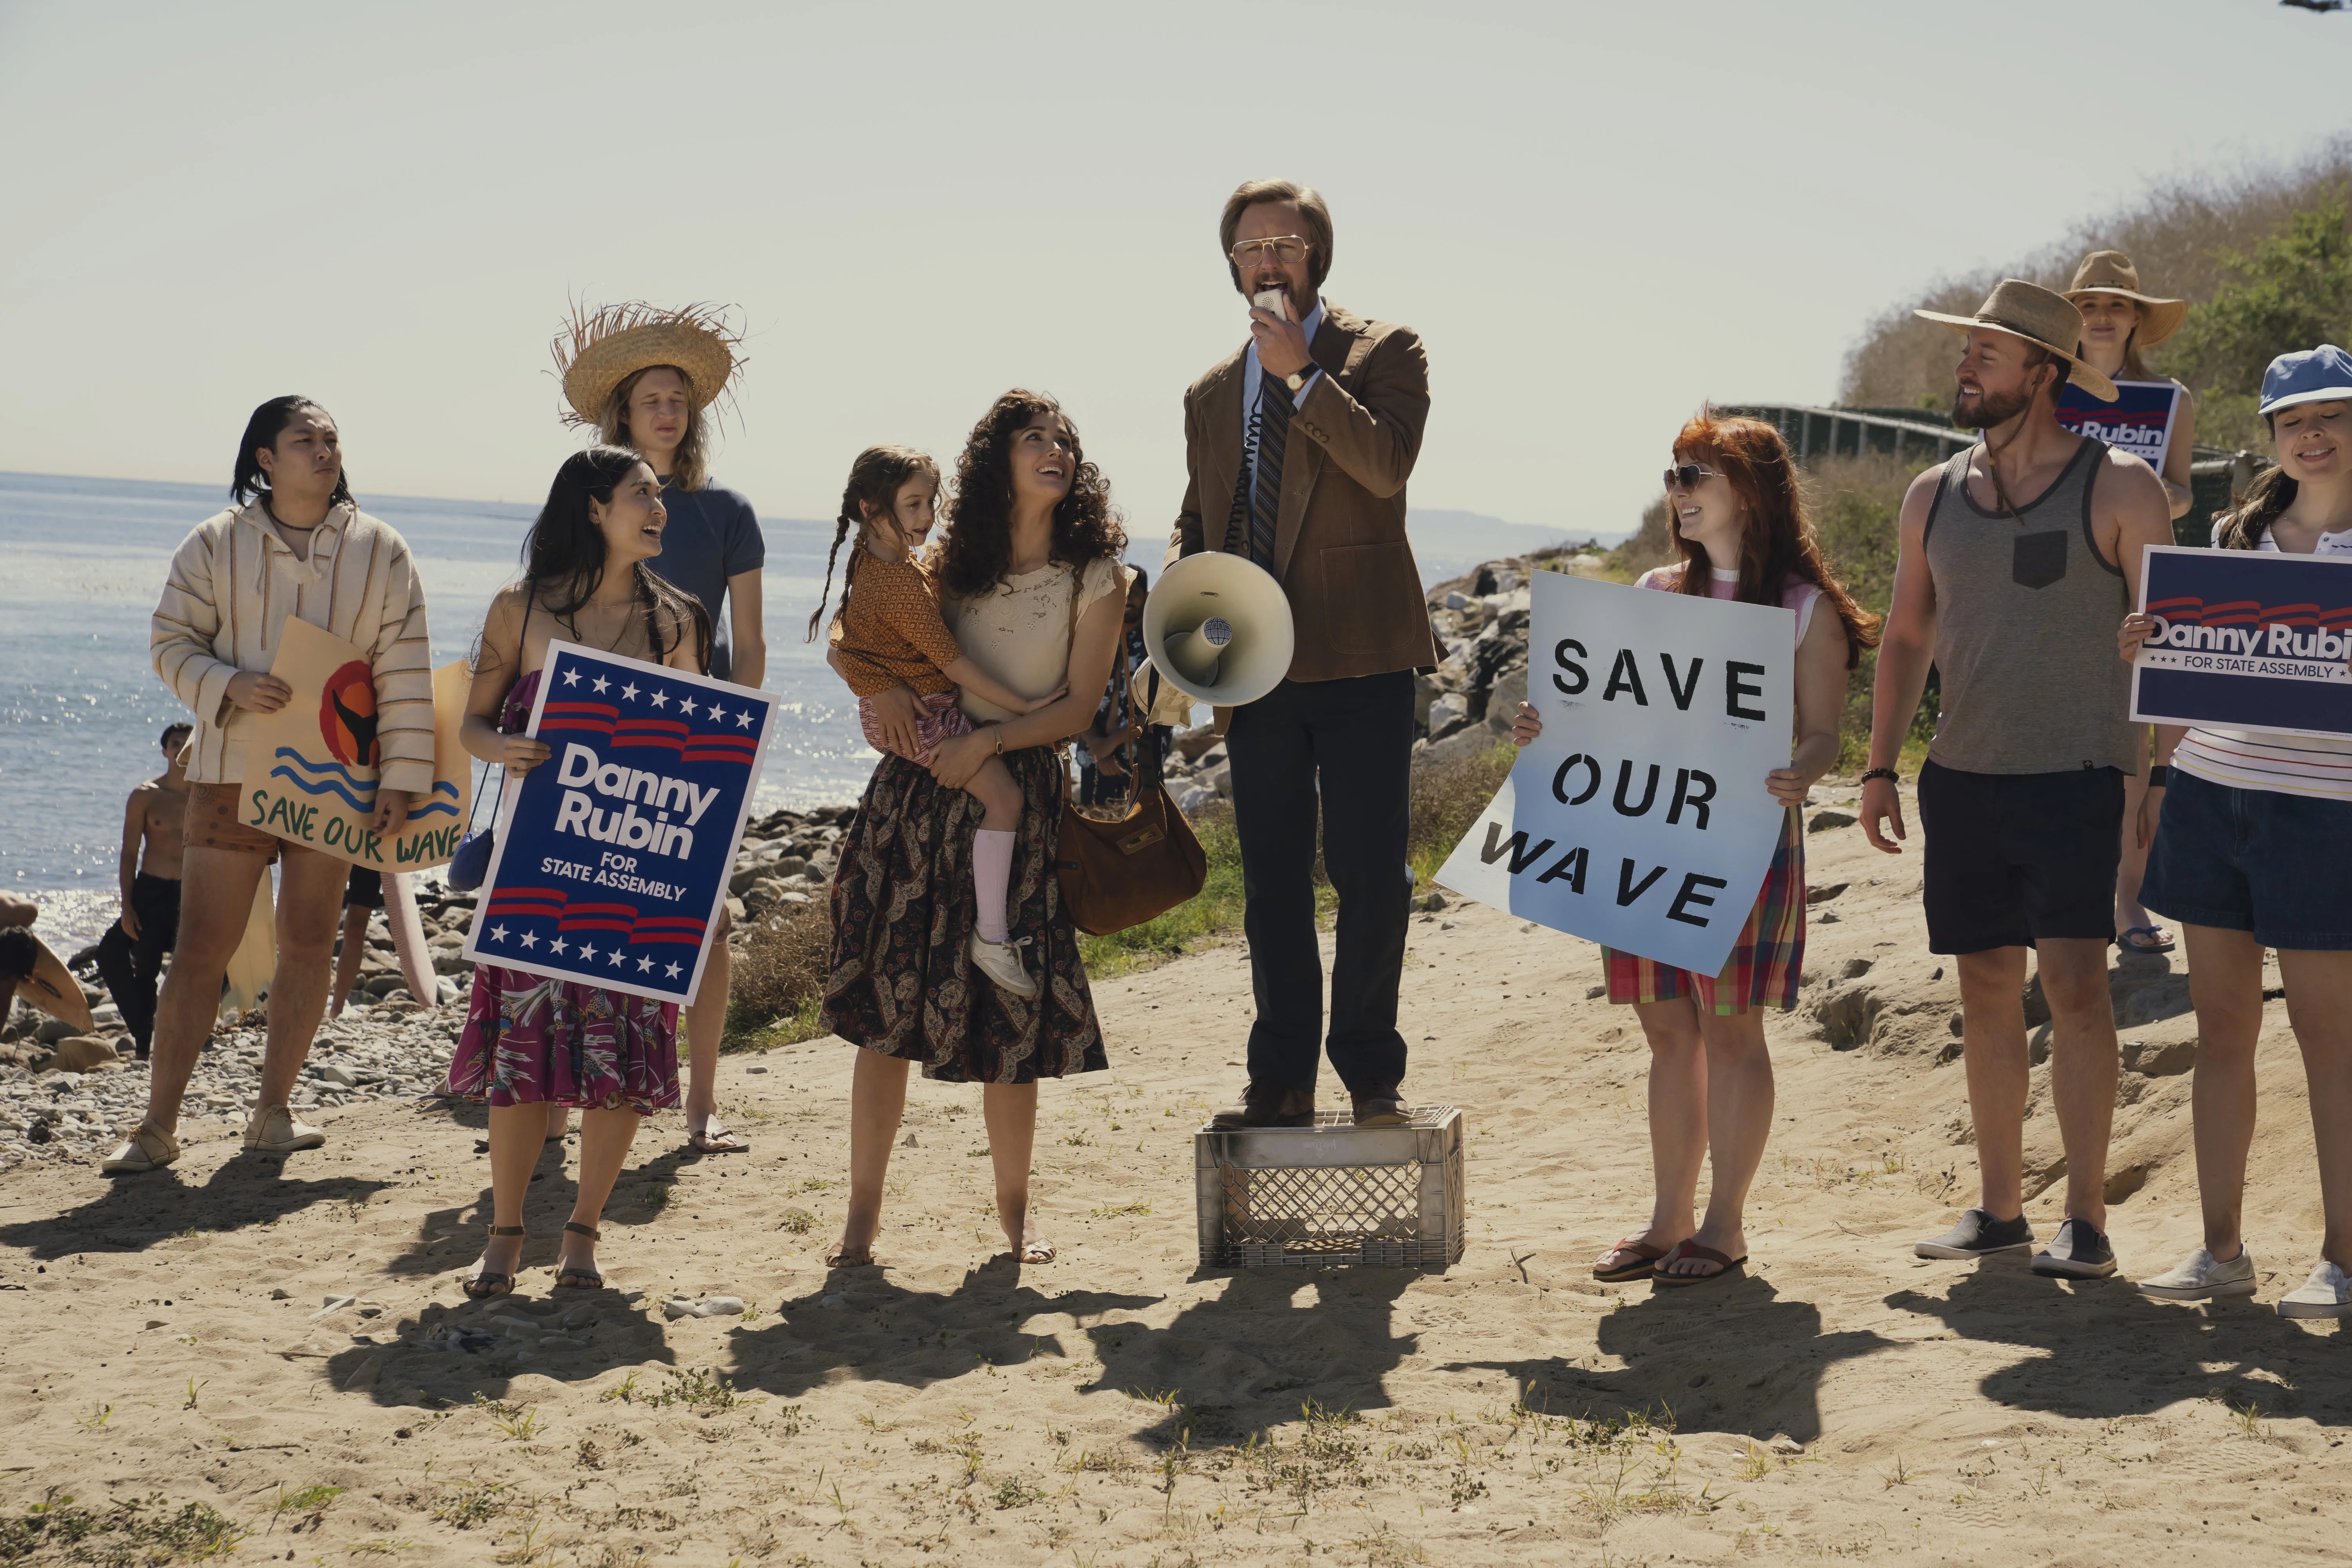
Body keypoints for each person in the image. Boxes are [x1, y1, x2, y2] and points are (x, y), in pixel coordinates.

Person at [1511, 414, 1875, 1283]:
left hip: (1743, 833)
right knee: (1667, 1030)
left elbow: (1825, 733)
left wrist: (1802, 771)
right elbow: (1607, 712)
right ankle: (1667, 1217)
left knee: (1731, 1027)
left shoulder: (1801, 606)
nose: (1677, 491)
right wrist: (1545, 725)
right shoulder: (1654, 587)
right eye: (1673, 474)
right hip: (1646, 830)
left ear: (1747, 489)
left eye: (1695, 474)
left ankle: (1724, 1225)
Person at [1859, 281, 2175, 1277]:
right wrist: (1877, 765)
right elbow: (1908, 633)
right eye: (1968, 356)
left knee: (2078, 992)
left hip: (2080, 778)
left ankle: (2085, 1219)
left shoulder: (2122, 486)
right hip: (1961, 778)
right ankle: (2000, 1210)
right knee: (1987, 989)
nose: (1965, 371)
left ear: (2042, 376)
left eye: (1987, 358)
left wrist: (2152, 777)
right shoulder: (1931, 493)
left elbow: (2171, 645)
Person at [822, 390, 1129, 1269]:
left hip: (1015, 792)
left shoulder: (1098, 575)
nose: (1054, 449)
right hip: (918, 789)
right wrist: (874, 697)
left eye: (1065, 439)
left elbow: (1075, 706)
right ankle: (860, 1221)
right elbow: (863, 634)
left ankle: (1017, 1216)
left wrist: (988, 740)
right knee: (886, 1014)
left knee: (1012, 1025)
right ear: (997, 460)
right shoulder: (948, 560)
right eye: (1034, 437)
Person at [1167, 178, 1437, 1132]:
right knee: (1272, 883)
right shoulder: (1208, 391)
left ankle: (1371, 1074)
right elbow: (1198, 523)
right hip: (1255, 673)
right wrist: (1171, 613)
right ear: (1231, 265)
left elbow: (1385, 466)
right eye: (1251, 247)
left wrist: (1301, 378)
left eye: (1285, 243)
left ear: (1316, 256)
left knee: (1371, 877)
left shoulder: (1381, 353)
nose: (1268, 260)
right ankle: (1278, 1080)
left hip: (1364, 657)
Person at [105, 396, 433, 1175]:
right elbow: (168, 641)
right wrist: (228, 682)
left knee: (309, 943)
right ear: (264, 458)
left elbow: (405, 667)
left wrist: (403, 775)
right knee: (199, 948)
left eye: (331, 439)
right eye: (304, 440)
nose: (323, 451)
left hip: (334, 774)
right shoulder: (214, 543)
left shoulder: (382, 547)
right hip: (225, 769)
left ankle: (273, 1113)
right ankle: (157, 1127)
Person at [443, 445, 709, 1297]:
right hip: (534, 870)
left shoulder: (679, 622)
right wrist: (505, 747)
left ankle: (585, 1232)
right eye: (643, 494)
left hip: (635, 875)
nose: (659, 507)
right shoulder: (518, 610)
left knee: (623, 1059)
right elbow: (474, 727)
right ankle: (505, 1233)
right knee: (523, 1055)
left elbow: (705, 752)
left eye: (660, 495)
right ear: (594, 507)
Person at [2123, 345, 2352, 1319]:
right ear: (2269, 435)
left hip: (2325, 813)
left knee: (2328, 1038)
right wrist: (2154, 755)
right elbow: (2189, 675)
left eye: (2334, 415)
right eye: (2295, 418)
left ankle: (2342, 1260)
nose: (2314, 432)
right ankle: (2223, 1251)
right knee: (2222, 1032)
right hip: (2213, 798)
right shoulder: (2228, 535)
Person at [555, 302, 763, 1157]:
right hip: (598, 742)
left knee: (706, 925)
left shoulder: (727, 512)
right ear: (624, 415)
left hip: (692, 746)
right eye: (651, 398)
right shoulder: (588, 503)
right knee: (588, 920)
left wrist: (728, 743)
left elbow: (745, 647)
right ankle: (575, 1094)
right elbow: (555, 617)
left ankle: (702, 1100)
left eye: (679, 397)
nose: (668, 410)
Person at [808, 444, 1066, 996]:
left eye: (931, 502)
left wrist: (875, 681)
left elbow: (842, 636)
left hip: (915, 707)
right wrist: (1025, 707)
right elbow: (954, 662)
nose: (927, 517)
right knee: (1005, 800)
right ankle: (992, 937)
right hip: (921, 718)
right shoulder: (899, 584)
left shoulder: (885, 559)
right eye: (913, 505)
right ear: (872, 510)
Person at [2063, 250, 2199, 957]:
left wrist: (2136, 491)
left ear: (2137, 319)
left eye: (2116, 305)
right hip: (2061, 590)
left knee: (2148, 752)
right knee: (2071, 748)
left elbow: (2181, 491)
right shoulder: (2041, 391)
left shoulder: (2171, 399)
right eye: (2088, 305)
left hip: (2143, 589)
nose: (2102, 317)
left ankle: (2130, 897)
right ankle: (2073, 899)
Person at [93, 721, 191, 1059]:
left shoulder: (207, 795)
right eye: (175, 744)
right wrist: (127, 905)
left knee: (195, 965)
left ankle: (183, 1034)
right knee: (130, 961)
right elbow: (129, 853)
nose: (180, 749)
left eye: (187, 743)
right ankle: (144, 1043)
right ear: (165, 751)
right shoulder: (146, 795)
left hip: (190, 893)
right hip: (150, 891)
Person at [1077, 568, 1166, 808]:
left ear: (1147, 596)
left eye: (1133, 594)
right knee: (1096, 833)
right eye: (1121, 595)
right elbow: (1073, 693)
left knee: (1144, 834)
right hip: (1095, 754)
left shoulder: (1158, 643)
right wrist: (1099, 746)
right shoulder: (1093, 638)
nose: (1126, 601)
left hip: (1141, 756)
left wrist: (1112, 742)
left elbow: (1164, 705)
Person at [327, 868, 381, 1020]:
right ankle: (309, 1001)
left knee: (356, 930)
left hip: (372, 848)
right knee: (320, 924)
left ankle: (336, 1009)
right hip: (332, 847)